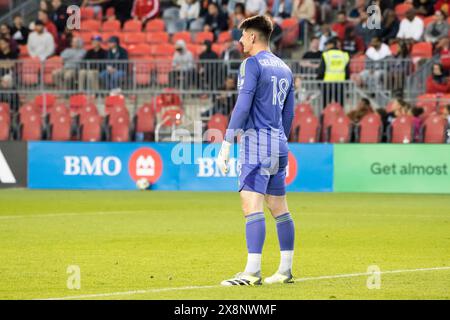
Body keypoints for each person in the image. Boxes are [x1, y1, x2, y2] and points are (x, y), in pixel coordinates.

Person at [217, 15, 296, 286]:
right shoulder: (285, 68)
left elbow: (243, 104)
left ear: (252, 36)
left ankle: (251, 273)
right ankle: (285, 271)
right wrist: (279, 139)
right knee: (279, 207)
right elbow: (289, 113)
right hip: (279, 142)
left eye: (242, 36)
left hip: (256, 143)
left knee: (251, 207)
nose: (240, 41)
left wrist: (227, 142)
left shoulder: (251, 64)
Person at [317, 37, 350, 108]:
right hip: (340, 84)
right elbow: (347, 72)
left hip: (327, 84)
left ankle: (324, 119)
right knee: (340, 106)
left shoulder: (326, 55)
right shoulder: (344, 55)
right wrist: (346, 83)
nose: (326, 46)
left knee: (325, 106)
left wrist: (318, 81)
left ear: (331, 45)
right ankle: (340, 119)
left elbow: (321, 70)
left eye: (327, 45)